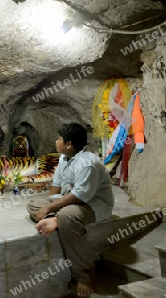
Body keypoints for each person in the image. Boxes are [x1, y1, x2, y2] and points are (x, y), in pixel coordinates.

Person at [34, 123, 114, 297]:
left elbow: (79, 196)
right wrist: (48, 204)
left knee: (68, 217)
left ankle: (85, 276)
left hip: (94, 204)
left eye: (59, 139)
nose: (56, 141)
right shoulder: (64, 157)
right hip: (73, 201)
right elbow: (56, 187)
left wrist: (49, 208)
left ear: (69, 144)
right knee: (33, 205)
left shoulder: (87, 163)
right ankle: (57, 218)